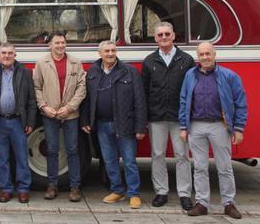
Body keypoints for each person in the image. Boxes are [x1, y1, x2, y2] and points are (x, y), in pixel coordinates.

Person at [180, 42, 248, 219]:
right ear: (198, 56)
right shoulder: (190, 75)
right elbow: (183, 100)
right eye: (201, 54)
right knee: (200, 167)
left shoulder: (229, 76)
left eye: (208, 54)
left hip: (220, 125)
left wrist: (239, 129)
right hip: (196, 125)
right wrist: (183, 126)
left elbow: (240, 102)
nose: (205, 57)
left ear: (214, 54)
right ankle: (202, 203)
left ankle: (228, 203)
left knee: (224, 167)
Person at [81, 40, 146, 209]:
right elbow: (87, 99)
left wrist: (140, 126)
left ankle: (134, 193)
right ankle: (117, 190)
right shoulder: (92, 72)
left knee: (129, 161)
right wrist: (86, 120)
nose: (110, 53)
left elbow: (140, 101)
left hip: (124, 124)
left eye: (113, 50)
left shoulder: (129, 72)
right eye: (107, 51)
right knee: (109, 160)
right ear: (100, 53)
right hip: (102, 125)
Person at [141, 22, 196, 210]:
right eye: (160, 35)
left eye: (167, 34)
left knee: (182, 155)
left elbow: (191, 91)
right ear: (155, 38)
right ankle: (161, 192)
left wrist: (188, 117)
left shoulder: (186, 60)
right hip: (157, 116)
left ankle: (184, 194)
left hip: (179, 117)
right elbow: (144, 91)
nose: (163, 37)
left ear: (173, 36)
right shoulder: (149, 61)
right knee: (157, 155)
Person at [0, 42, 37, 204]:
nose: (7, 56)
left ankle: (23, 189)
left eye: (10, 53)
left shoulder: (24, 72)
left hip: (18, 121)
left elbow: (32, 99)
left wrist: (30, 121)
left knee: (22, 158)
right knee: (1, 159)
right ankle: (5, 189)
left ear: (15, 55)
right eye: (3, 53)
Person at [32, 31, 86, 202]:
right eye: (57, 43)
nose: (61, 46)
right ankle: (52, 185)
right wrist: (44, 107)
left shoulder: (76, 63)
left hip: (70, 114)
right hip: (49, 114)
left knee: (72, 150)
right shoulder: (41, 63)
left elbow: (81, 88)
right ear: (50, 45)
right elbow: (36, 88)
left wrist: (70, 108)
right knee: (52, 150)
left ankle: (75, 187)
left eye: (63, 42)